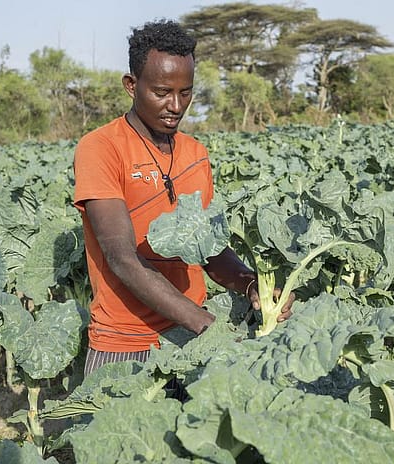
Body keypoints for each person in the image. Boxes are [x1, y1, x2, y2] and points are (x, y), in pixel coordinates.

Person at [73, 19, 294, 376]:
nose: (175, 105)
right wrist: (206, 325)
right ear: (132, 85)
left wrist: (252, 284)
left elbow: (208, 249)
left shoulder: (195, 154)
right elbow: (121, 258)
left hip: (191, 343)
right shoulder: (101, 148)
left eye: (186, 92)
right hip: (126, 344)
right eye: (161, 92)